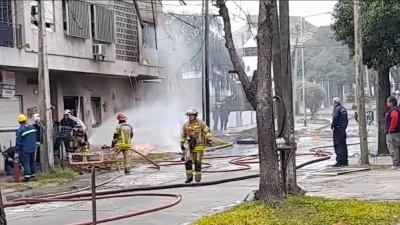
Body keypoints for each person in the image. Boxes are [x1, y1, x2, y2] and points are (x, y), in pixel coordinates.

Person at [180, 107, 212, 183]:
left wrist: (209, 140)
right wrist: (182, 143)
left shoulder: (201, 123)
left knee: (197, 163)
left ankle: (197, 179)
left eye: (191, 115)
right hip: (188, 147)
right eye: (189, 115)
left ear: (195, 115)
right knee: (188, 162)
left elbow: (207, 132)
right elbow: (183, 135)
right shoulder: (186, 125)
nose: (190, 117)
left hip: (199, 146)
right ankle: (189, 178)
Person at [16, 114, 38, 182]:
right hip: (33, 148)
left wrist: (17, 151)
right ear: (26, 120)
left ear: (19, 122)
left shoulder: (20, 130)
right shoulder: (33, 128)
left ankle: (27, 176)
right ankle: (33, 175)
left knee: (26, 162)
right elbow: (36, 137)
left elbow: (18, 141)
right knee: (32, 162)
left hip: (24, 149)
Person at [331, 97, 349, 167]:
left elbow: (335, 117)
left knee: (338, 145)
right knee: (343, 145)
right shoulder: (343, 108)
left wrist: (333, 125)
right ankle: (345, 161)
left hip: (338, 129)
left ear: (335, 102)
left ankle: (340, 161)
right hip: (343, 130)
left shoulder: (337, 109)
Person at [385, 96, 400, 169]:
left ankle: (396, 163)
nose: (386, 103)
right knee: (396, 147)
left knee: (393, 148)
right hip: (397, 131)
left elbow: (394, 118)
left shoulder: (393, 110)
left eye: (387, 101)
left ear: (391, 102)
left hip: (393, 132)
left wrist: (391, 129)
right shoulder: (397, 109)